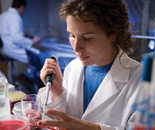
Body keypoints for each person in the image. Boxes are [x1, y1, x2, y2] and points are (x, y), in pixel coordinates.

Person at [38, 0, 143, 129]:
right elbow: (60, 121)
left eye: (87, 38)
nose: (76, 48)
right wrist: (56, 90)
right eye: (72, 35)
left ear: (113, 34)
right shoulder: (73, 68)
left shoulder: (141, 80)